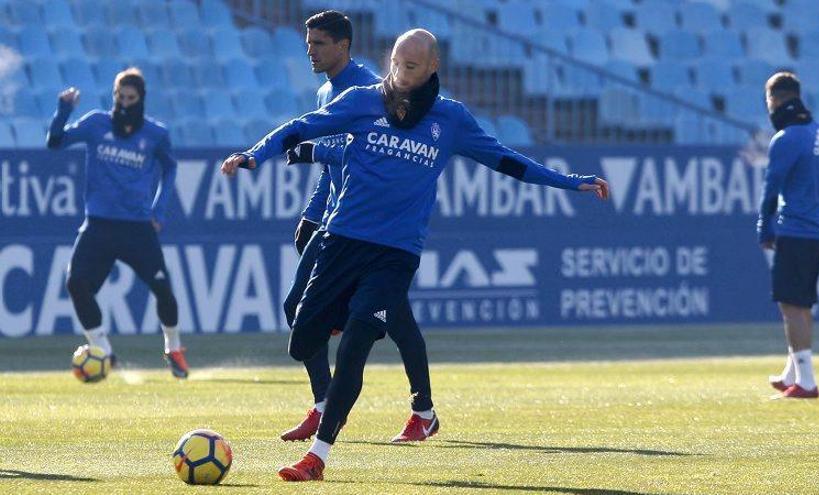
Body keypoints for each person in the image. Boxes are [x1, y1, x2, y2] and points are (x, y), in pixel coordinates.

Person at [220, 28, 609, 482]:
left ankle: (319, 457)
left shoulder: (451, 120)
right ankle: (354, 316)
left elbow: (507, 161)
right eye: (395, 64)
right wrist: (254, 154)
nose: (399, 75)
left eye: (410, 67)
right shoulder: (362, 101)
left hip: (396, 254)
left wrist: (570, 181)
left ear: (431, 69)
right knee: (302, 340)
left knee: (354, 349)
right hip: (342, 240)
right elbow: (302, 126)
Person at [279, 10, 439, 443]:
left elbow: (357, 153)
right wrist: (312, 213)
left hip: (377, 226)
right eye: (308, 42)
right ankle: (325, 403)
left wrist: (314, 153)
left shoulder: (375, 90)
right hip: (337, 221)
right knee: (299, 308)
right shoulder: (325, 91)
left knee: (394, 319)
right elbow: (333, 166)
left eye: (318, 43)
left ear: (342, 46)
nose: (310, 50)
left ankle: (420, 409)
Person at [46, 68, 189, 379]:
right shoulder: (96, 123)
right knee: (76, 283)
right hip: (99, 224)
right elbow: (55, 142)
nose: (124, 103)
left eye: (130, 98)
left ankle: (174, 347)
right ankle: (104, 352)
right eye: (119, 97)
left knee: (163, 289)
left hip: (137, 227)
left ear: (140, 99)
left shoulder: (155, 134)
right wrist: (64, 109)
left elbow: (170, 170)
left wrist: (159, 211)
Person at [758, 72, 819, 399]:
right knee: (800, 303)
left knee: (791, 304)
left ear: (774, 100)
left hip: (797, 229)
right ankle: (793, 371)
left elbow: (771, 187)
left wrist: (764, 224)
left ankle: (806, 381)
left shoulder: (787, 138)